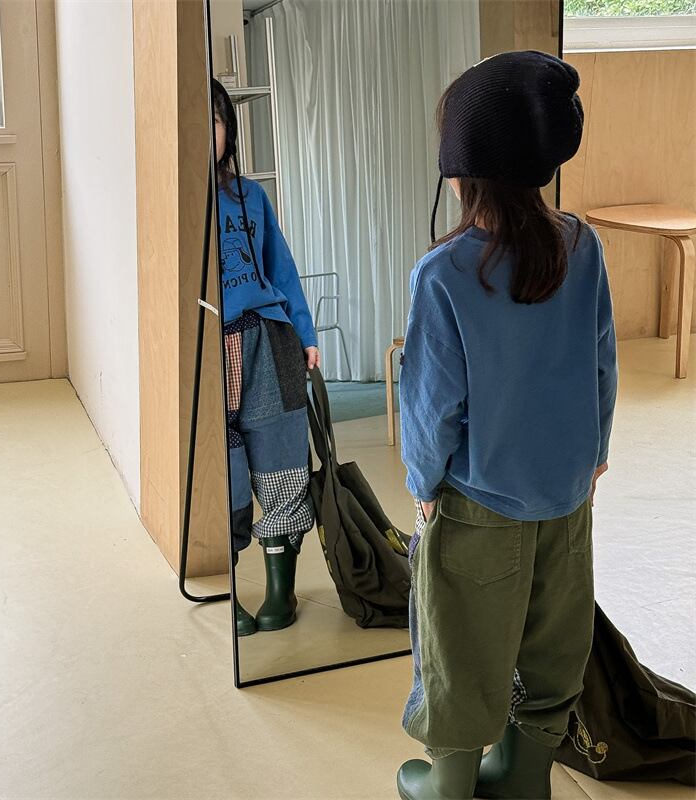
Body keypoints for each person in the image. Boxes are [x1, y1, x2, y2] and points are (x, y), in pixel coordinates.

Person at [396, 52, 618, 800]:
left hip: (478, 504)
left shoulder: (444, 274)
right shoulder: (582, 246)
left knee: (460, 645)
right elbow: (601, 364)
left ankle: (450, 783)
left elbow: (433, 403)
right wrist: (593, 457)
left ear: (462, 173)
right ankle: (525, 777)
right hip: (567, 496)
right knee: (555, 640)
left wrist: (423, 483)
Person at [211, 79, 320, 637]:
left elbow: (281, 266)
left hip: (268, 339)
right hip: (210, 348)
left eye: (215, 120)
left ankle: (281, 590)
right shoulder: (171, 200)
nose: (206, 132)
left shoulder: (250, 196)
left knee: (282, 459)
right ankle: (223, 589)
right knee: (220, 471)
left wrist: (305, 332)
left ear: (229, 129)